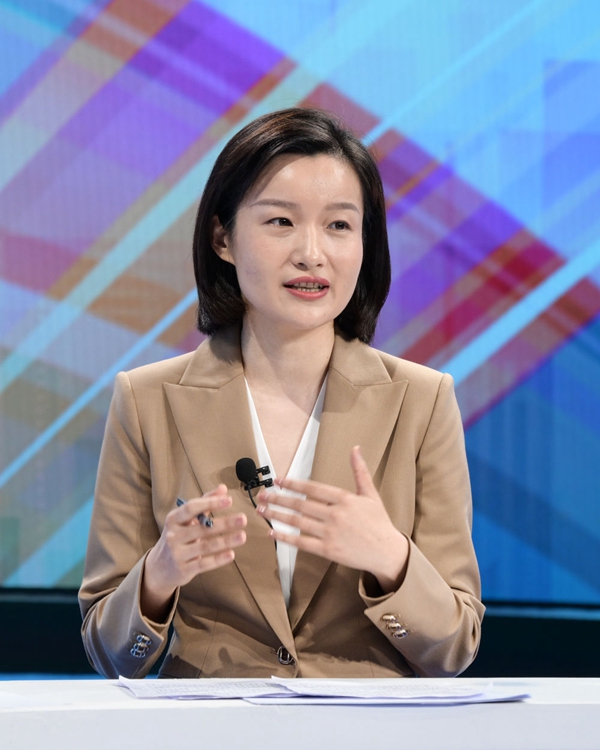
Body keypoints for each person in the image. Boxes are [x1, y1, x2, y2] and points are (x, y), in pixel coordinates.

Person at [79, 107, 484, 680]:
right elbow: (110, 654)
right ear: (223, 238)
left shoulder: (422, 401)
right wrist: (159, 575)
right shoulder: (146, 401)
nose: (311, 253)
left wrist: (390, 558)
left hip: (368, 726)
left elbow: (454, 649)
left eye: (339, 225)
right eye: (281, 222)